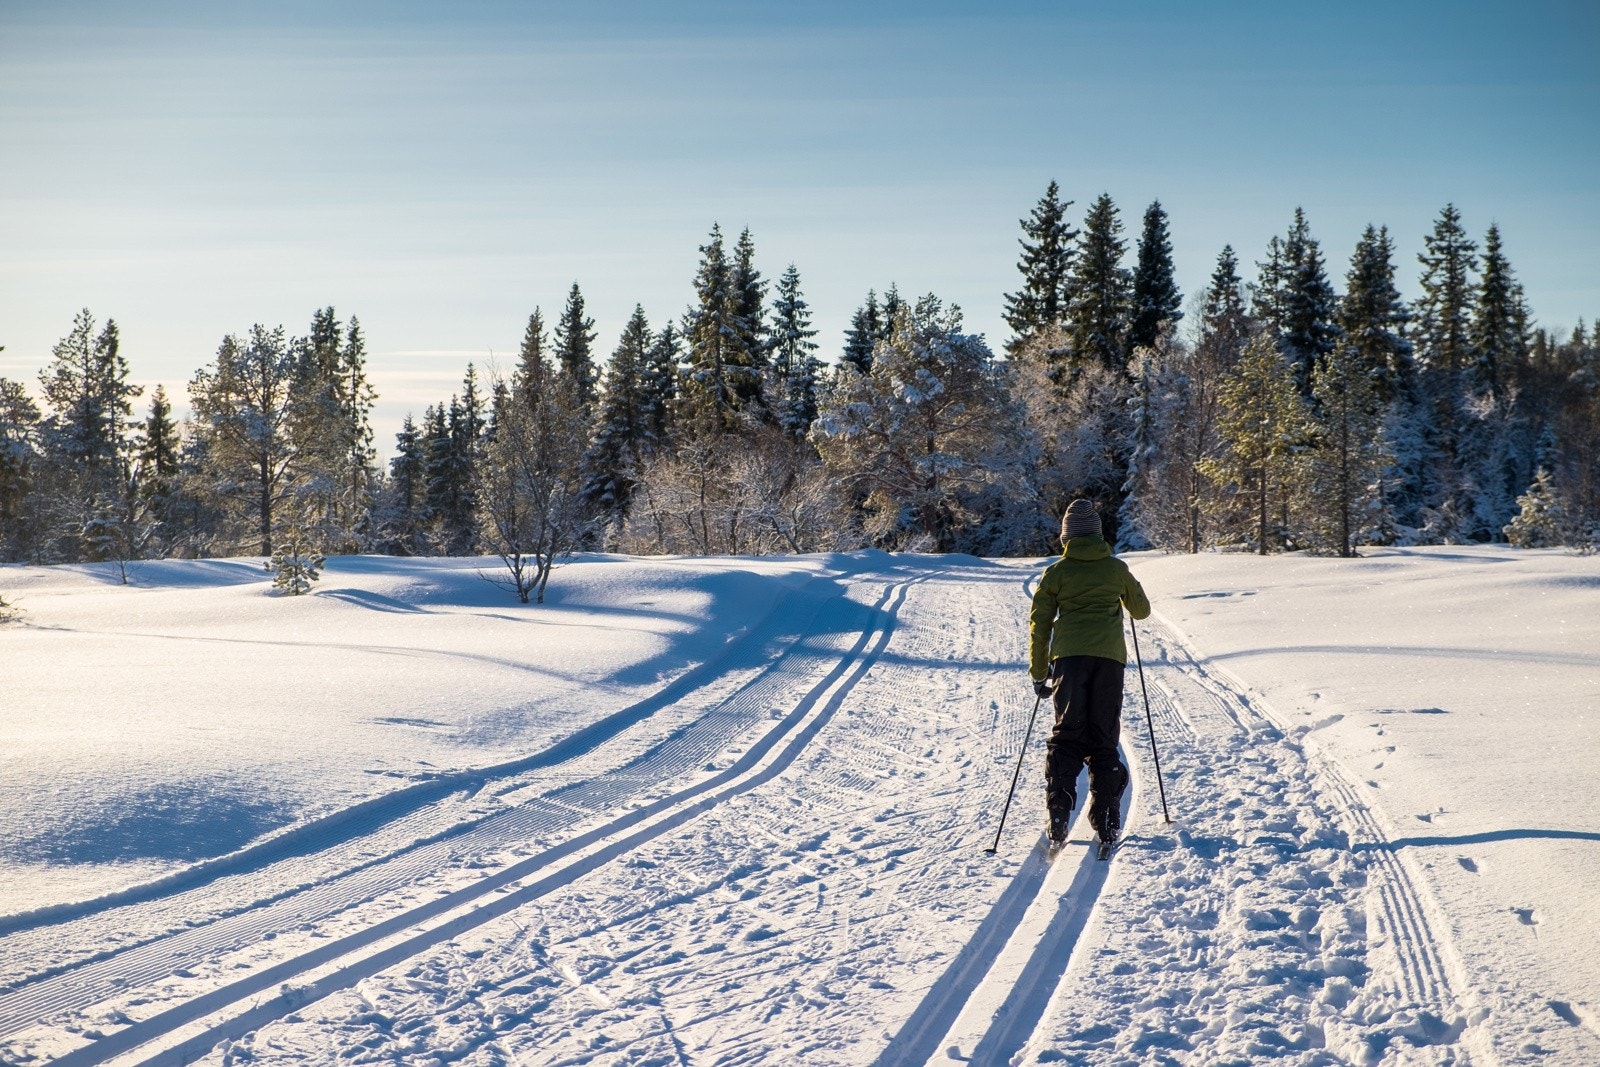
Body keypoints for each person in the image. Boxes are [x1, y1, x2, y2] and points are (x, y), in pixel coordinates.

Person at [1029, 498, 1150, 848]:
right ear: (1097, 534)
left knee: (1067, 735)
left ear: (1066, 537)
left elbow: (1039, 625)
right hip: (1110, 660)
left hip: (1068, 660)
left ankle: (1059, 809)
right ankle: (1107, 816)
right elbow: (1140, 611)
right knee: (1103, 735)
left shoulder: (1057, 573)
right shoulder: (1116, 569)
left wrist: (1039, 672)